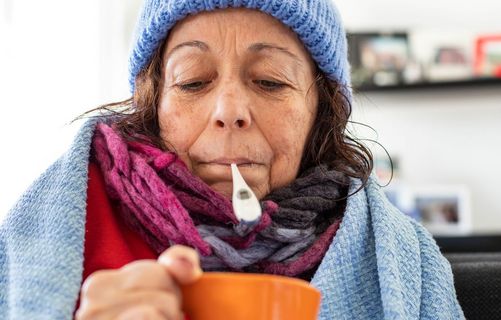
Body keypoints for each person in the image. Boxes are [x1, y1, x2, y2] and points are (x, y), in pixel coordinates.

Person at [0, 0, 465, 319]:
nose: (228, 112)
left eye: (269, 81)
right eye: (193, 81)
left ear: (320, 112)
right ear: (154, 104)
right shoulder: (65, 223)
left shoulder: (397, 255)